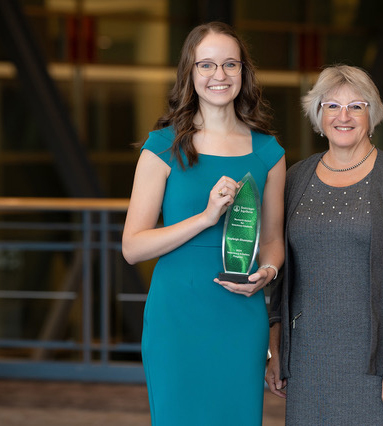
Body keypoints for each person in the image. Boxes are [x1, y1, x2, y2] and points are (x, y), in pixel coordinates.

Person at [122, 22, 286, 425]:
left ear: (243, 73)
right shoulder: (161, 147)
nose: (220, 76)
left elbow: (273, 242)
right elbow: (133, 247)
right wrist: (206, 218)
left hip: (240, 314)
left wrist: (268, 271)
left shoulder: (269, 152)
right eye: (207, 65)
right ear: (190, 74)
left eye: (230, 65)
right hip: (176, 316)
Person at [265, 65, 383, 425]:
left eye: (356, 106)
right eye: (332, 106)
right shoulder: (295, 178)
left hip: (378, 360)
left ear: (372, 114)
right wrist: (275, 348)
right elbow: (282, 275)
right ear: (318, 114)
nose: (344, 117)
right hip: (309, 359)